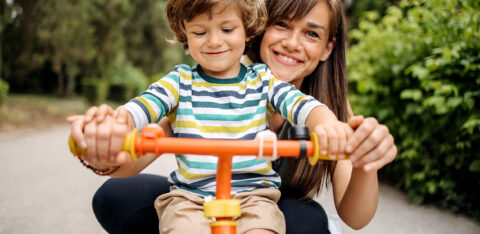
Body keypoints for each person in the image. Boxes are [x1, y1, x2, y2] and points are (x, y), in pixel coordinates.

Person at [69, 0, 397, 233]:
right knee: (118, 194)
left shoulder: (320, 105)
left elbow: (356, 216)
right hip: (196, 195)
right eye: (282, 25)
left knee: (307, 221)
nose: (292, 43)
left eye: (311, 33)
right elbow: (137, 139)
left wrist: (359, 155)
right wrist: (101, 141)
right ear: (258, 29)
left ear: (327, 47)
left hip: (263, 201)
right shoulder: (199, 84)